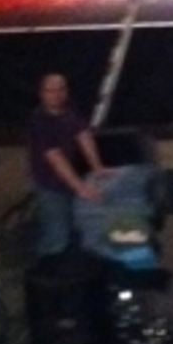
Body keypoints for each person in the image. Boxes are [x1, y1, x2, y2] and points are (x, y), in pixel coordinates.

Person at [28, 72, 106, 258]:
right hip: (50, 185)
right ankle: (42, 264)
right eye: (50, 90)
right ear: (42, 93)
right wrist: (80, 188)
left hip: (70, 179)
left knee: (76, 226)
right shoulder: (39, 121)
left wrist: (98, 167)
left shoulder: (70, 109)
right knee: (57, 238)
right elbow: (55, 158)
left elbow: (83, 135)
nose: (56, 94)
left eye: (60, 89)